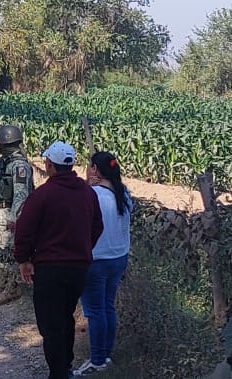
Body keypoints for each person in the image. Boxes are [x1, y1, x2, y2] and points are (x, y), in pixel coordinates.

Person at [13, 141, 103, 379]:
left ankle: (58, 372)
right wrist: (82, 248)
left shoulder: (42, 195)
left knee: (51, 324)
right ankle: (66, 366)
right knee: (65, 316)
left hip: (50, 269)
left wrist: (24, 260)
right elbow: (97, 227)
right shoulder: (88, 193)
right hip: (78, 269)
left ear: (49, 164)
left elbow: (24, 231)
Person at [74, 151, 133, 376]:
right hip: (119, 257)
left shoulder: (92, 194)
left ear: (95, 170)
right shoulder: (123, 193)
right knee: (107, 306)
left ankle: (97, 360)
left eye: (89, 167)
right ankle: (106, 355)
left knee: (94, 310)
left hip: (96, 260)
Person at [0, 123, 34, 305]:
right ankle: (3, 282)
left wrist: (14, 217)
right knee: (0, 251)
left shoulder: (20, 166)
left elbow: (21, 194)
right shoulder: (4, 163)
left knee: (10, 251)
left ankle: (13, 288)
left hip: (9, 213)